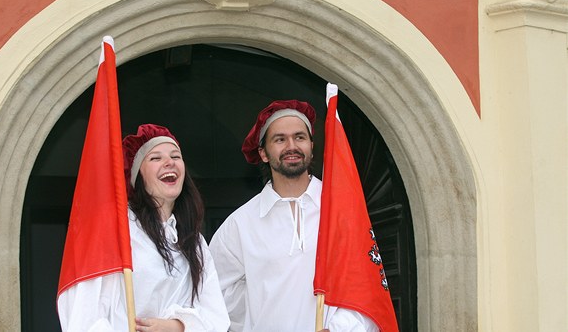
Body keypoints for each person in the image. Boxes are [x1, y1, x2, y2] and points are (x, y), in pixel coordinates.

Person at [208, 100, 379, 332]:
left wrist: (341, 329)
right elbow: (214, 296)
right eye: (280, 139)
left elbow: (366, 287)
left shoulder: (342, 212)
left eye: (299, 137)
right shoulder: (240, 224)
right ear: (264, 153)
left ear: (311, 145)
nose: (291, 146)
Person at [58, 124, 229, 332]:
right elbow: (83, 312)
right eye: (155, 158)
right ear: (137, 175)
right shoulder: (116, 231)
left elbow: (216, 317)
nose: (169, 162)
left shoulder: (195, 242)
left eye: (175, 156)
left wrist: (177, 327)